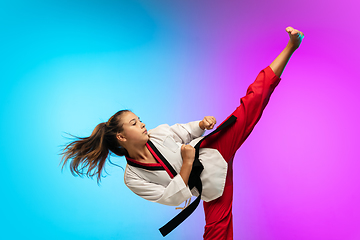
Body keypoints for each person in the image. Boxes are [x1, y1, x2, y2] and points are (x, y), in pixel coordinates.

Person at [61, 26, 304, 240]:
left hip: (214, 148)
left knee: (253, 101)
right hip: (210, 186)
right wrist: (187, 164)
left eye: (140, 120)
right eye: (134, 124)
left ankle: (291, 47)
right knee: (216, 234)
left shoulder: (157, 134)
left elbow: (184, 131)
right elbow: (173, 198)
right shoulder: (133, 177)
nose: (142, 124)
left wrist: (202, 123)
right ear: (121, 137)